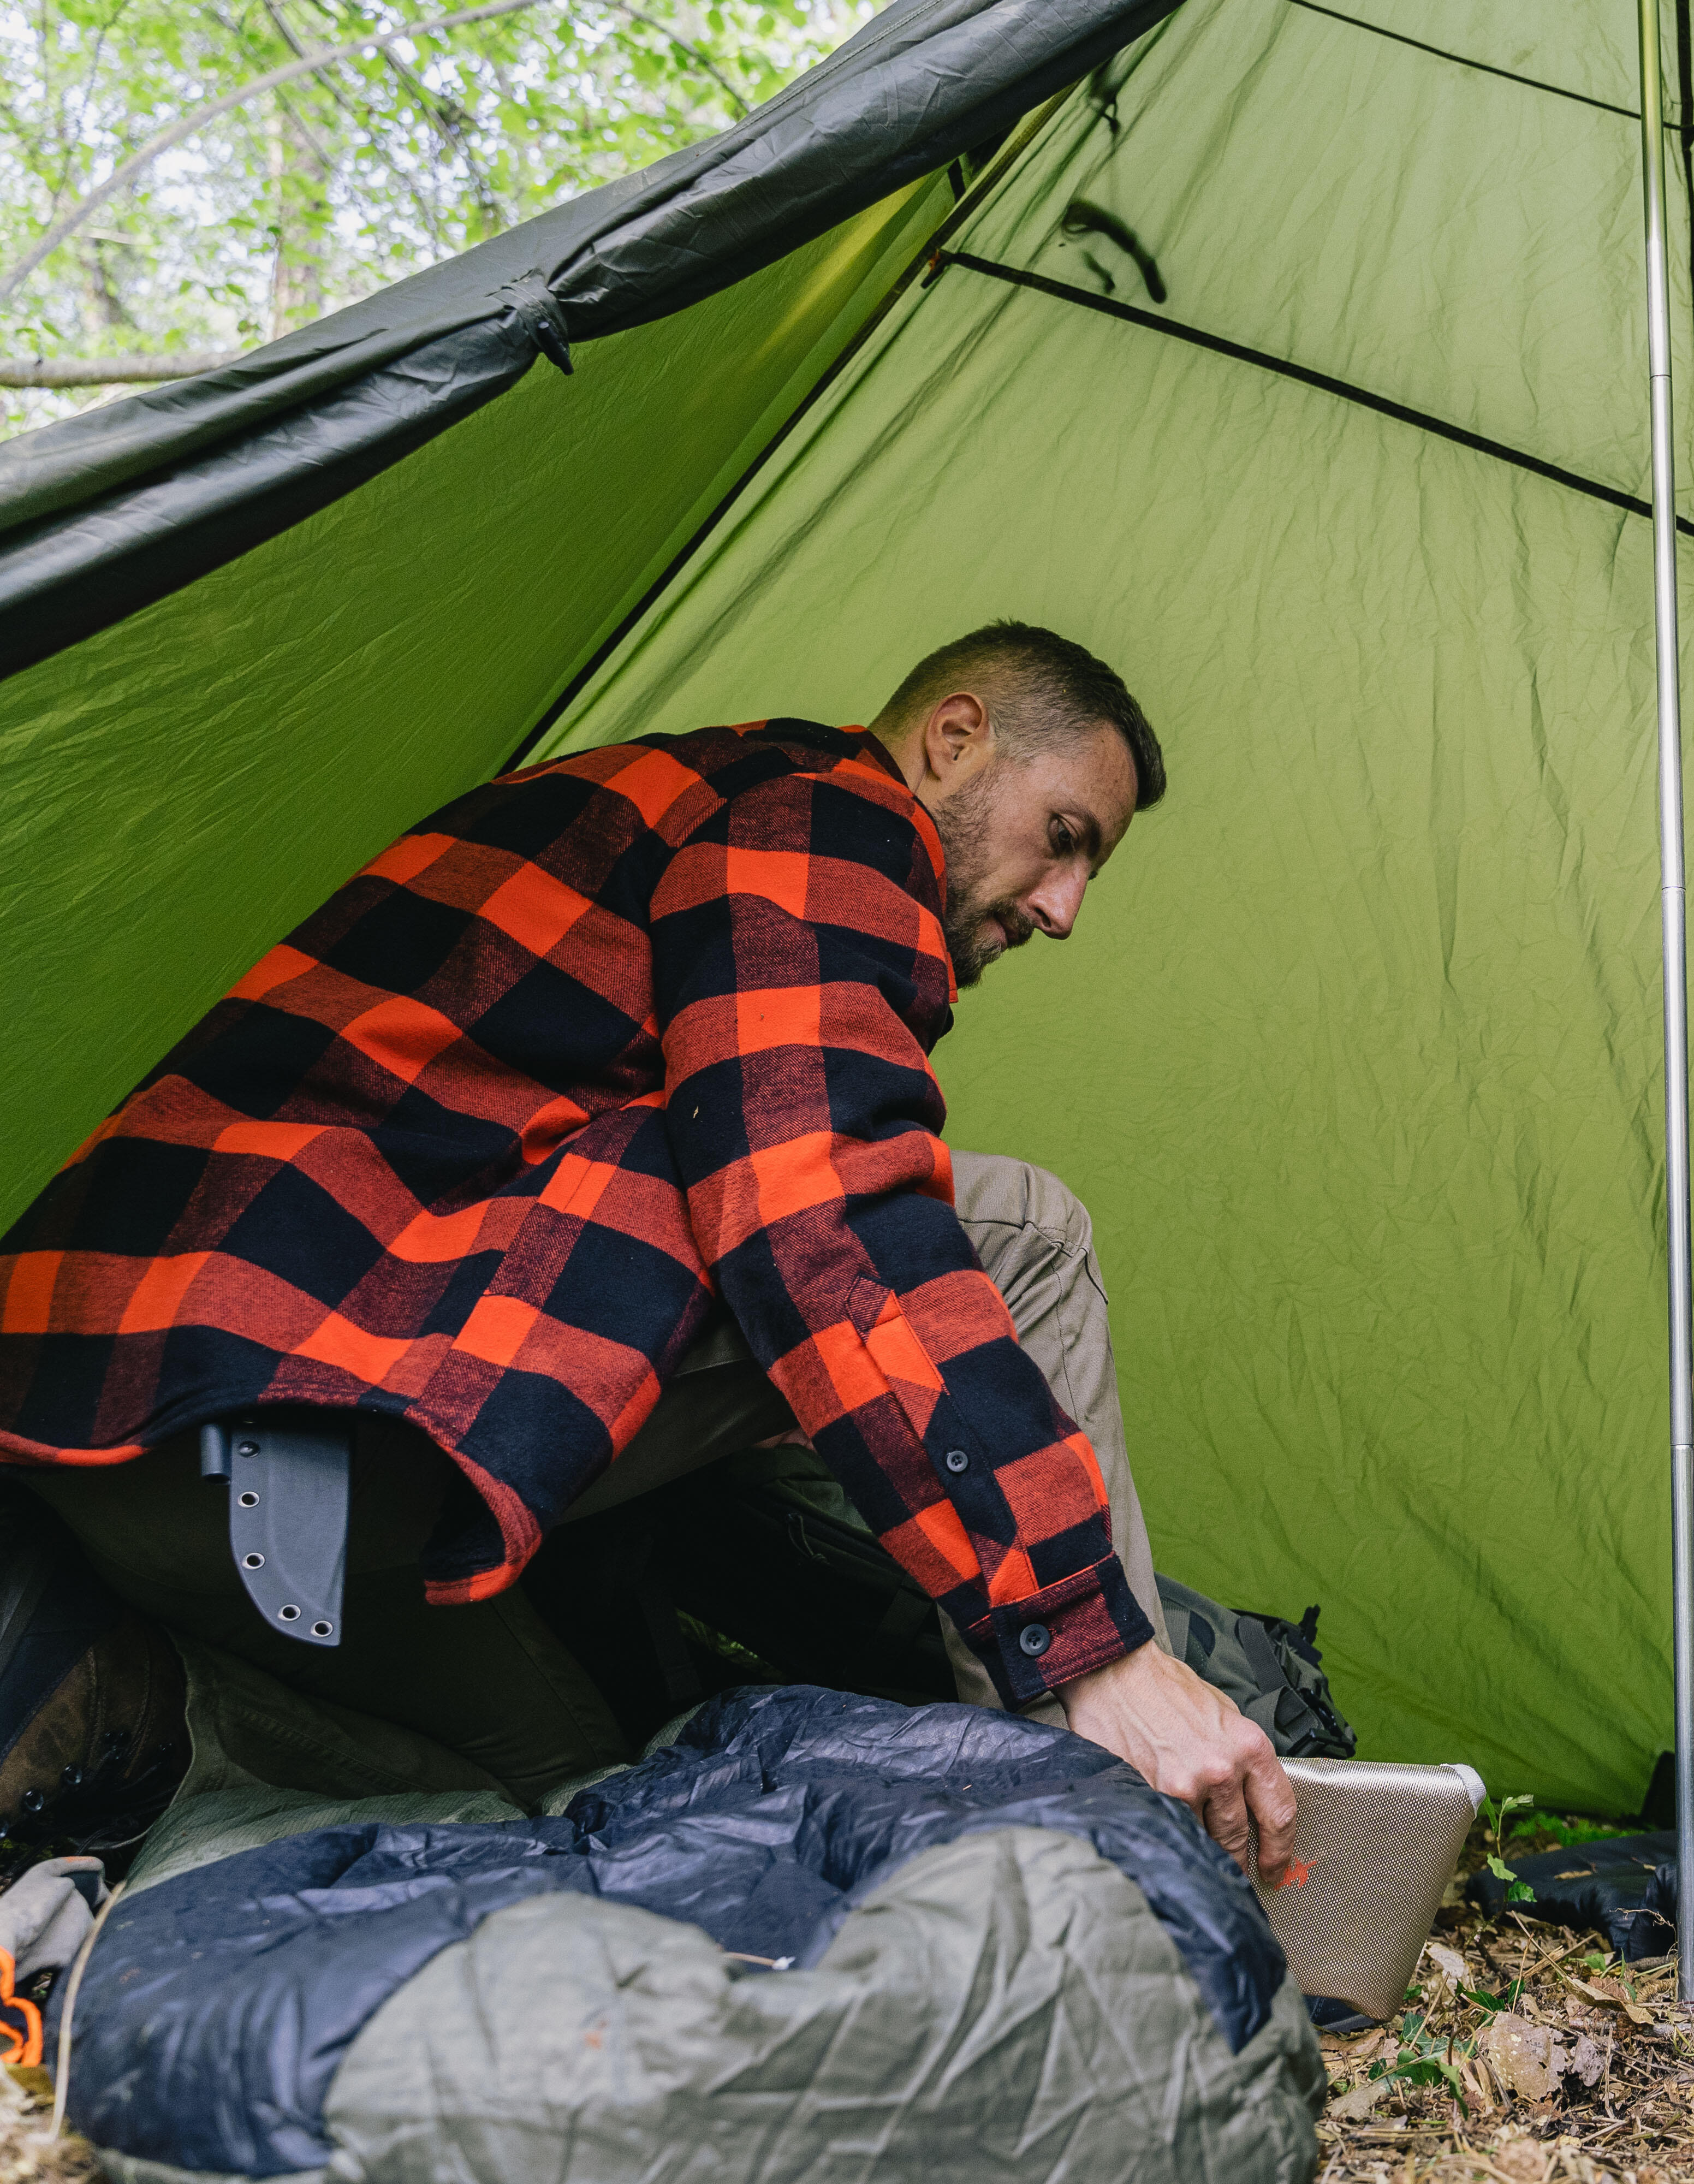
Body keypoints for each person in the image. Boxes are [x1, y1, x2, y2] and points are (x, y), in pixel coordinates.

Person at [0, 622, 1294, 1882]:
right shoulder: (822, 811)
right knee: (1027, 1237)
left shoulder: (674, 806)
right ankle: (1101, 1860)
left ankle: (137, 1714)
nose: (1065, 908)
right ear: (955, 738)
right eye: (1065, 838)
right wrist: (1094, 1646)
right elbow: (824, 1204)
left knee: (575, 1799)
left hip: (146, 1448)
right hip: (304, 1389)